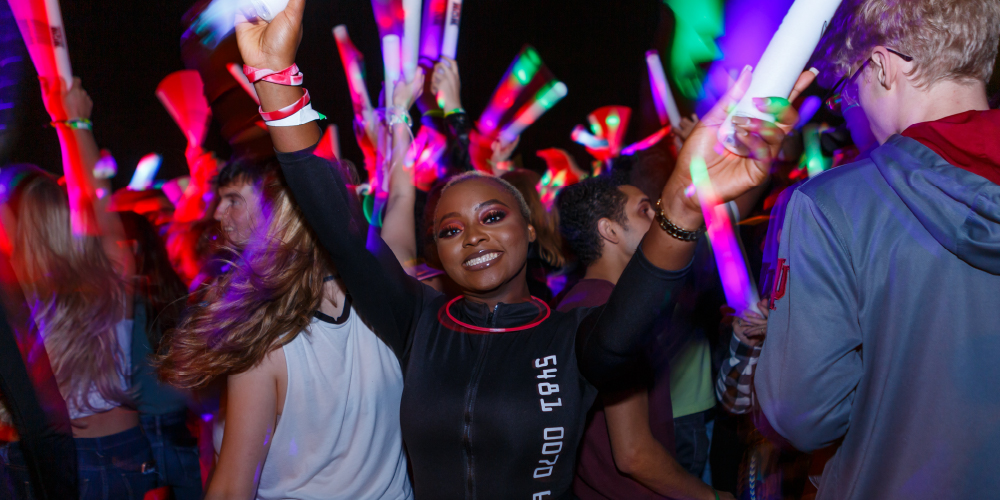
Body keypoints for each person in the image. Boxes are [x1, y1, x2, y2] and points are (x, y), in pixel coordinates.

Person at [231, 0, 805, 496]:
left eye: (492, 216)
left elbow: (632, 316)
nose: (473, 236)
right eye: (450, 230)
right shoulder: (417, 320)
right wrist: (276, 78)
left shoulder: (573, 335)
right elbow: (344, 229)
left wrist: (681, 200)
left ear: (530, 229)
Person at [755, 0, 1000, 498]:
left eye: (851, 85)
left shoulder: (827, 206)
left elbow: (801, 415)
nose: (853, 107)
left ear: (885, 66)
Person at [157, 168, 413, 499]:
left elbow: (233, 490)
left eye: (235, 201)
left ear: (276, 225)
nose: (220, 215)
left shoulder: (262, 340)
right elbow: (402, 203)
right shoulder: (395, 299)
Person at [556, 176, 731, 500]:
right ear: (609, 231)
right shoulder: (610, 314)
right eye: (645, 211)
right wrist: (713, 497)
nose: (657, 220)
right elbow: (633, 453)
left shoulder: (579, 301)